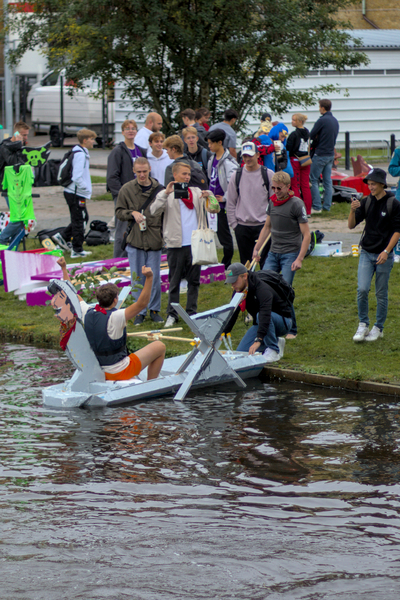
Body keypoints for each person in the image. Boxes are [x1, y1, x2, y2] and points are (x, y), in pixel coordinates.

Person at [54, 257, 166, 380]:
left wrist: (64, 268)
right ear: (115, 300)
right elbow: (142, 304)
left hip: (98, 370)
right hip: (119, 371)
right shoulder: (117, 316)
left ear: (98, 299)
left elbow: (71, 294)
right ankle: (152, 383)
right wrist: (149, 278)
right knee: (159, 346)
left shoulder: (86, 312)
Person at [150, 161, 216, 328]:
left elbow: (213, 210)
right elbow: (153, 211)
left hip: (196, 243)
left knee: (194, 281)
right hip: (176, 243)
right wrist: (165, 193)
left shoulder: (196, 192)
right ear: (175, 175)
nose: (187, 177)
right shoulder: (167, 193)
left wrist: (210, 197)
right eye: (183, 174)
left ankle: (192, 312)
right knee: (174, 280)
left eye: (188, 174)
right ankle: (172, 314)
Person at [252, 171, 311, 339]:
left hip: (290, 253)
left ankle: (291, 328)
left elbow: (306, 234)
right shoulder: (272, 203)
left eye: (279, 188)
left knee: (284, 289)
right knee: (264, 285)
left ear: (287, 187)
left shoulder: (296, 204)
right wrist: (257, 248)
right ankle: (269, 322)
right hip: (273, 252)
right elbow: (267, 227)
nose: (276, 191)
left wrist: (299, 258)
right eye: (273, 188)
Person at [348, 168, 400, 342]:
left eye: (373, 184)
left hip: (384, 255)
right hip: (366, 253)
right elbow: (351, 225)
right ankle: (363, 324)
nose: (370, 187)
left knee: (381, 293)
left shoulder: (393, 203)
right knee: (362, 289)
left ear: (382, 184)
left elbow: (397, 231)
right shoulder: (366, 201)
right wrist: (352, 211)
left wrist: (386, 251)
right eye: (369, 184)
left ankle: (378, 327)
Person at [115, 157, 165, 326]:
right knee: (137, 277)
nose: (142, 175)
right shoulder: (126, 189)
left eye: (145, 171)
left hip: (154, 238)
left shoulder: (160, 190)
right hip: (135, 239)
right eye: (139, 172)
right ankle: (139, 311)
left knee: (155, 277)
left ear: (150, 169)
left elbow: (167, 215)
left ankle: (155, 310)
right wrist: (132, 213)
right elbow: (119, 212)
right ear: (134, 171)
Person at [223, 263, 292, 363]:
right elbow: (233, 313)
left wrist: (258, 340)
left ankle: (273, 349)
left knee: (260, 315)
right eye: (230, 282)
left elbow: (265, 314)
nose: (232, 285)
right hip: (262, 322)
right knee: (241, 353)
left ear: (244, 276)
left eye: (234, 281)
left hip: (283, 322)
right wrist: (222, 333)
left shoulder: (262, 289)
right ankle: (276, 341)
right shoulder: (238, 290)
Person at [226, 141, 273, 265]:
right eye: (244, 156)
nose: (247, 159)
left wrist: (270, 223)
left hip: (263, 226)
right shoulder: (236, 175)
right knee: (245, 265)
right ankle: (248, 285)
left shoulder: (268, 174)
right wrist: (235, 225)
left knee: (266, 263)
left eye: (250, 155)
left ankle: (265, 284)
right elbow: (231, 202)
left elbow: (274, 202)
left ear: (258, 155)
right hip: (242, 226)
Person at [106, 119, 147, 257]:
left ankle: (136, 258)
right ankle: (119, 260)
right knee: (123, 229)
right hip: (124, 197)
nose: (131, 130)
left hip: (140, 195)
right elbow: (112, 177)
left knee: (139, 228)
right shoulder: (118, 151)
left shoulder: (141, 151)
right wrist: (121, 194)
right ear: (122, 132)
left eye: (133, 128)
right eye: (127, 128)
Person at [206, 128, 238, 268]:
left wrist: (225, 198)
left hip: (222, 206)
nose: (209, 146)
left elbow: (234, 183)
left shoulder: (228, 162)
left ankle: (227, 263)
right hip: (212, 203)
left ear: (220, 142)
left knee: (224, 236)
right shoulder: (212, 159)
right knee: (217, 233)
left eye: (211, 143)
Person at [63, 128, 97, 258]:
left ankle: (62, 237)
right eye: (91, 139)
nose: (93, 141)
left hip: (76, 192)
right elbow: (76, 177)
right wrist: (86, 189)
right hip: (75, 193)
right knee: (79, 220)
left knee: (82, 218)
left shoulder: (81, 151)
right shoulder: (80, 154)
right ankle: (77, 250)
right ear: (85, 140)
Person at [0, 121, 30, 244]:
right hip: (9, 187)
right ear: (16, 133)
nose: (25, 138)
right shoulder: (5, 146)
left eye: (27, 135)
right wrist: (18, 144)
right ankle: (2, 239)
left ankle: (13, 246)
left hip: (20, 186)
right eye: (23, 135)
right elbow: (13, 163)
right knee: (18, 218)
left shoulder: (20, 147)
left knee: (22, 220)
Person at [309, 99, 339, 214]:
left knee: (313, 179)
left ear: (322, 108)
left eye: (319, 106)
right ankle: (327, 206)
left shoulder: (322, 120)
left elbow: (311, 135)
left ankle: (316, 206)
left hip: (320, 153)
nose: (318, 108)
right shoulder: (335, 121)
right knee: (327, 181)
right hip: (330, 154)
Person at [286, 113, 312, 215]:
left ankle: (298, 209)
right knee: (305, 185)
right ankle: (308, 210)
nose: (292, 122)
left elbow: (289, 149)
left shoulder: (294, 134)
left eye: (294, 120)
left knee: (295, 185)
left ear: (299, 122)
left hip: (295, 160)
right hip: (306, 160)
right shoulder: (307, 133)